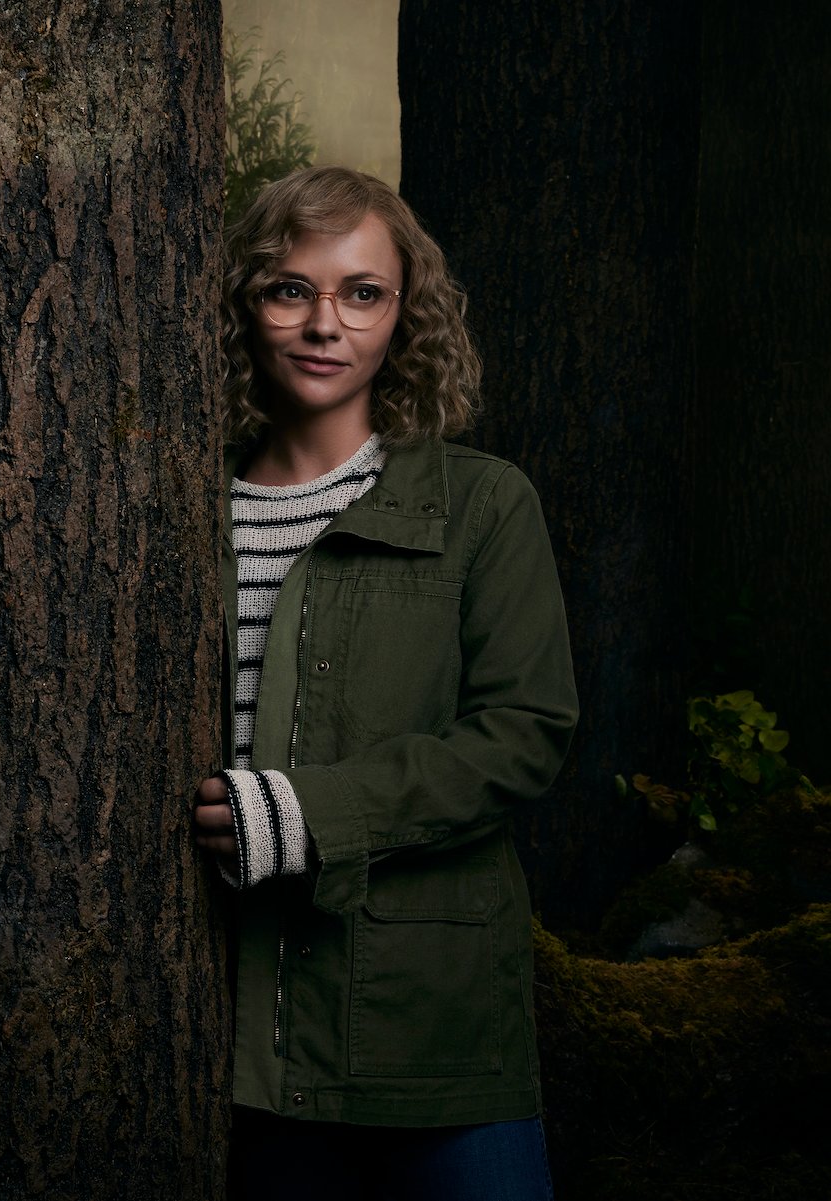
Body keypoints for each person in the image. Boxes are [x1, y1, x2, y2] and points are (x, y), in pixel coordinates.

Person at [193, 165, 578, 1201]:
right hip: (231, 1034)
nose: (326, 324)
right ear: (243, 307)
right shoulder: (182, 509)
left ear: (407, 316)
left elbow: (526, 733)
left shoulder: (482, 505)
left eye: (362, 292)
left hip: (431, 1031)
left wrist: (313, 812)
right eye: (289, 289)